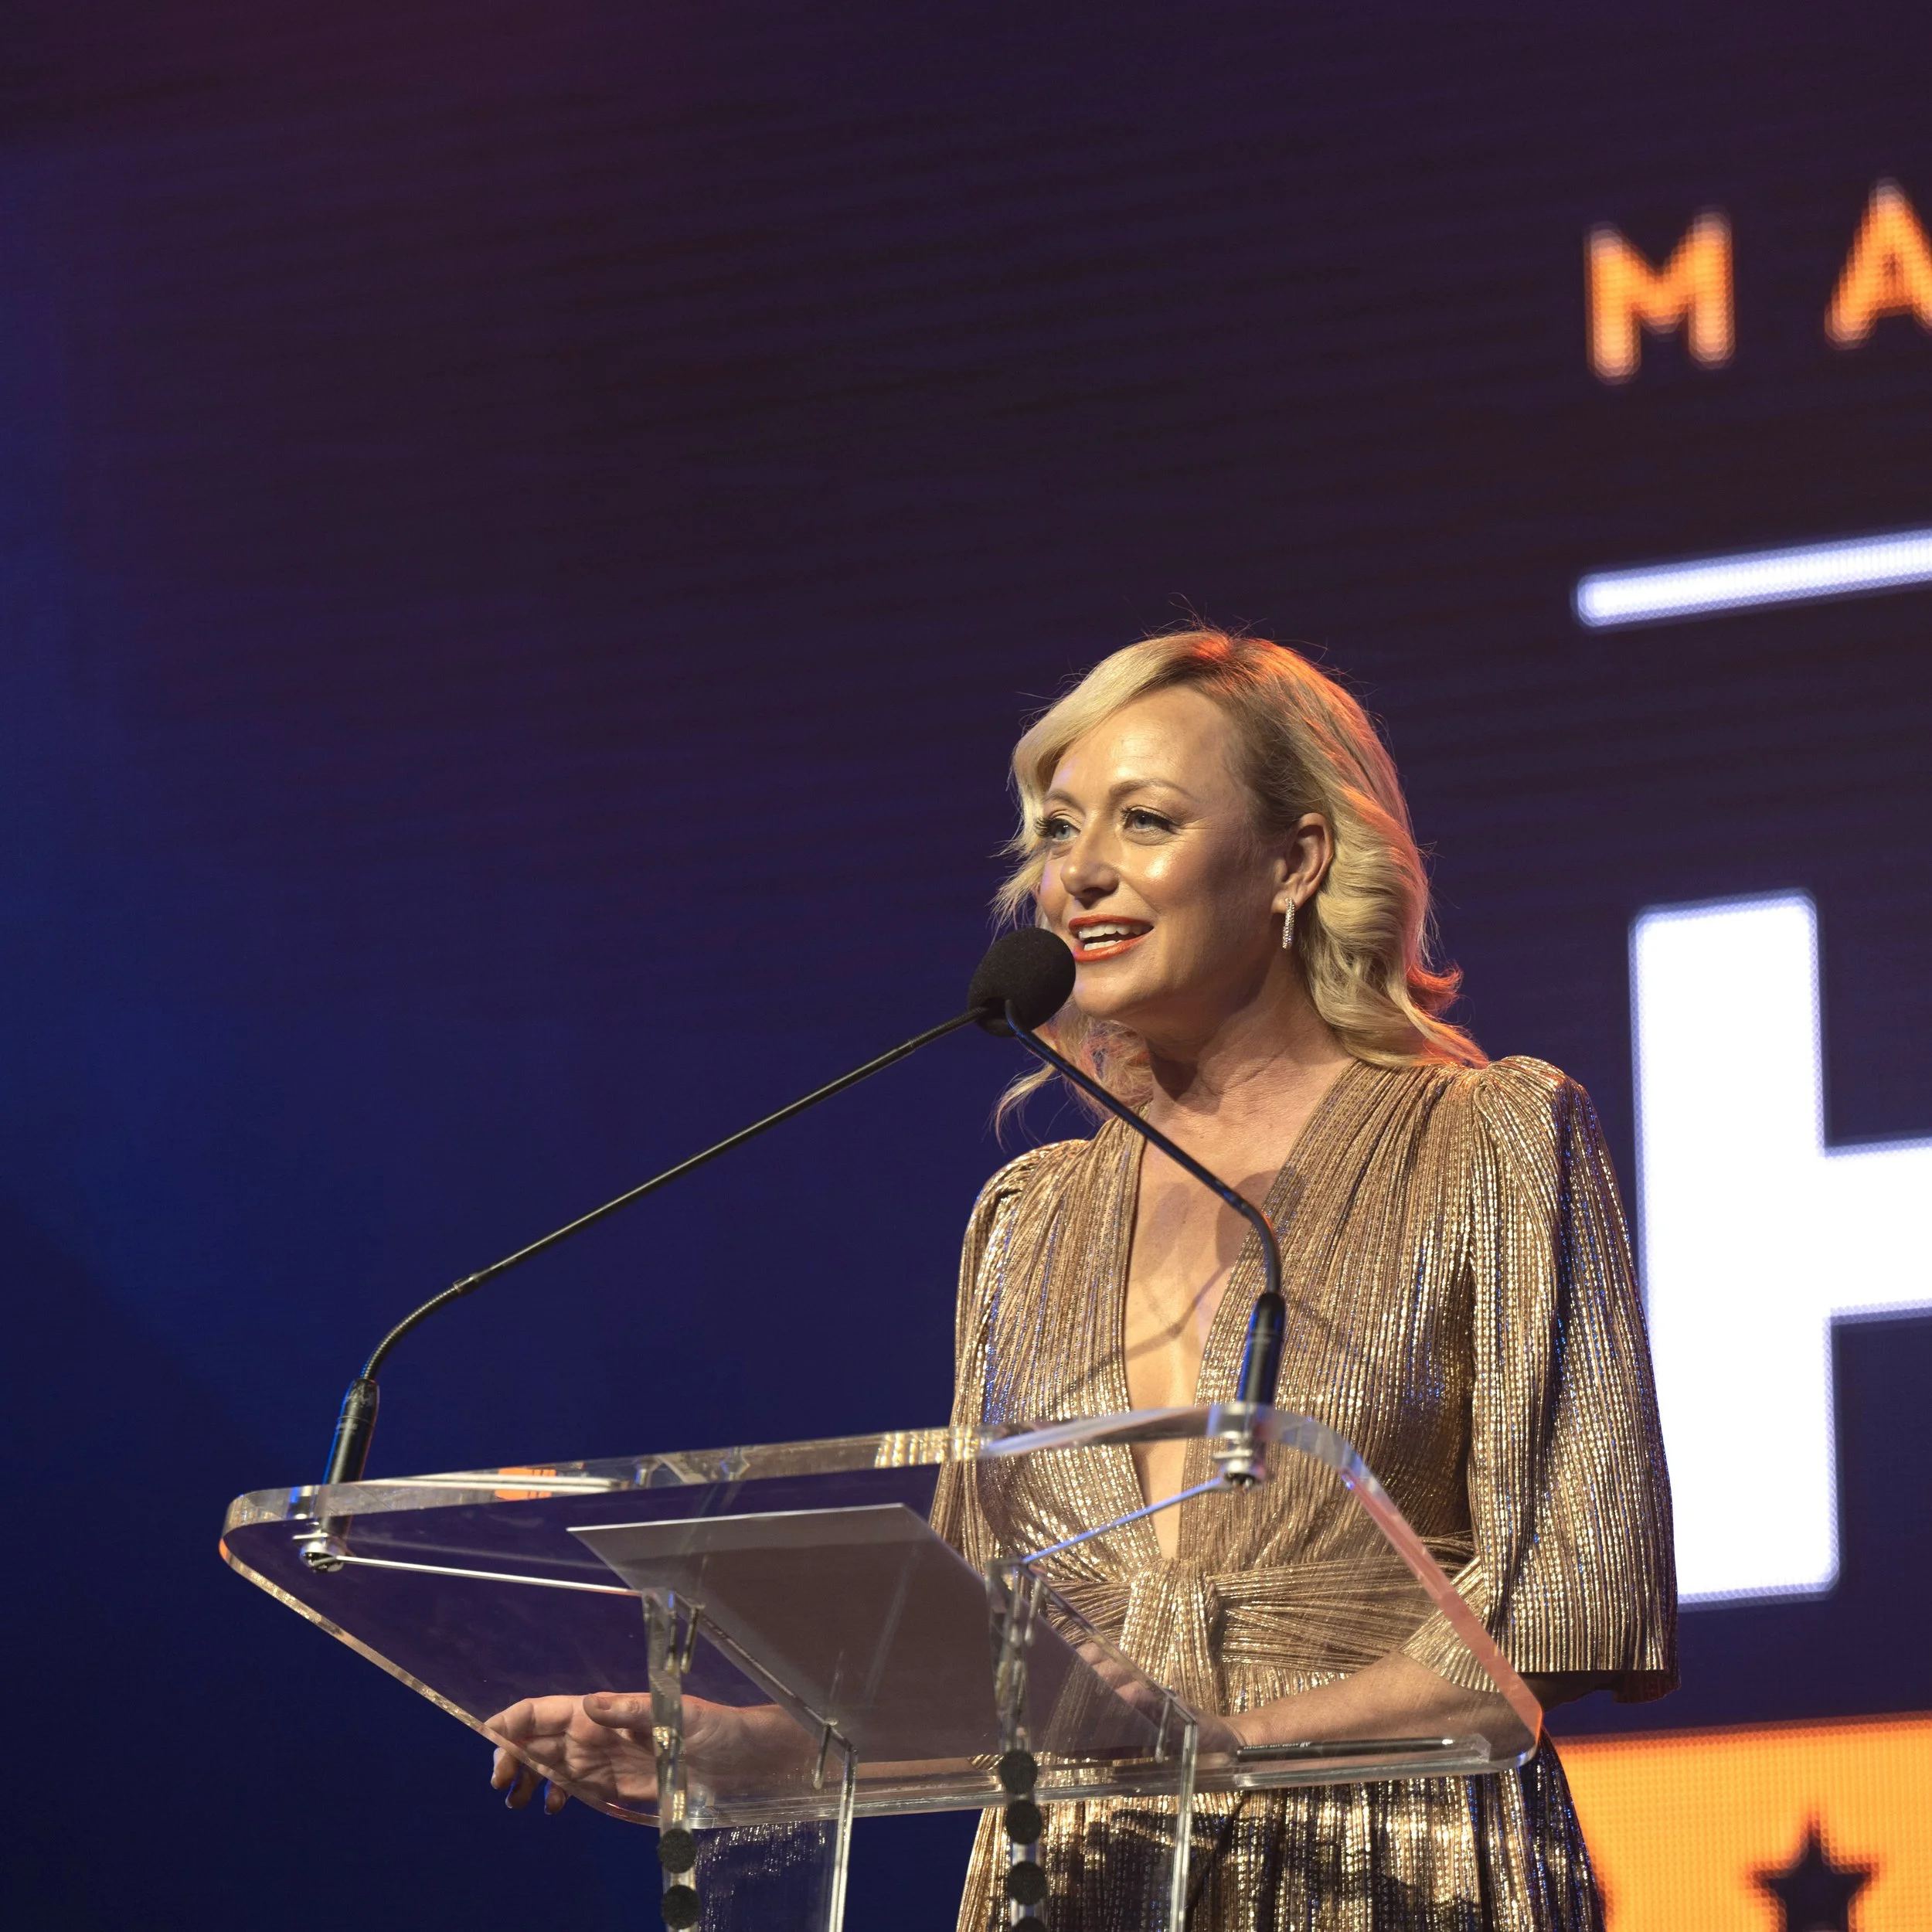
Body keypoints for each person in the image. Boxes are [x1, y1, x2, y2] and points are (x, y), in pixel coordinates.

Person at [491, 629, 1676, 1931]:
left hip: (1390, 1871)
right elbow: (968, 1672)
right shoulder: (1029, 1219)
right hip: (1076, 1882)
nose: (1080, 874)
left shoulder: (1491, 1139)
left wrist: (1222, 1746)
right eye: (1060, 830)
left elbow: (1561, 1609)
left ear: (1296, 860)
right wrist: (747, 1754)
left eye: (1146, 820)